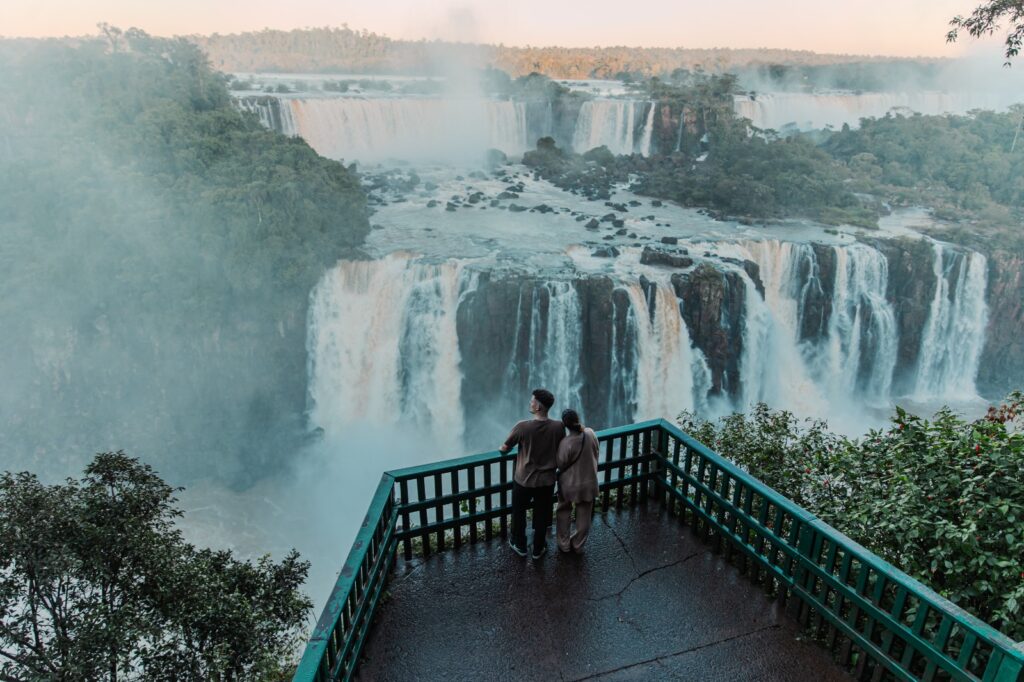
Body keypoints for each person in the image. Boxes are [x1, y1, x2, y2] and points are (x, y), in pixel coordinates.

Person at [500, 388, 565, 560]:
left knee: (519, 512)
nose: (530, 402)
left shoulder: (523, 427)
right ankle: (538, 548)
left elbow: (504, 448)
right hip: (547, 480)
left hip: (524, 480)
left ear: (539, 407)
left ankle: (519, 545)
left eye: (533, 401)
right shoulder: (559, 427)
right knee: (542, 513)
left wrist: (506, 448)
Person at [554, 409, 599, 554]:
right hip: (589, 482)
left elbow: (561, 464)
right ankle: (578, 544)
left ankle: (564, 543)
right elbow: (596, 450)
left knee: (563, 510)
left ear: (565, 425)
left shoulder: (565, 443)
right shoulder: (590, 433)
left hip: (569, 485)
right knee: (584, 514)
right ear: (577, 419)